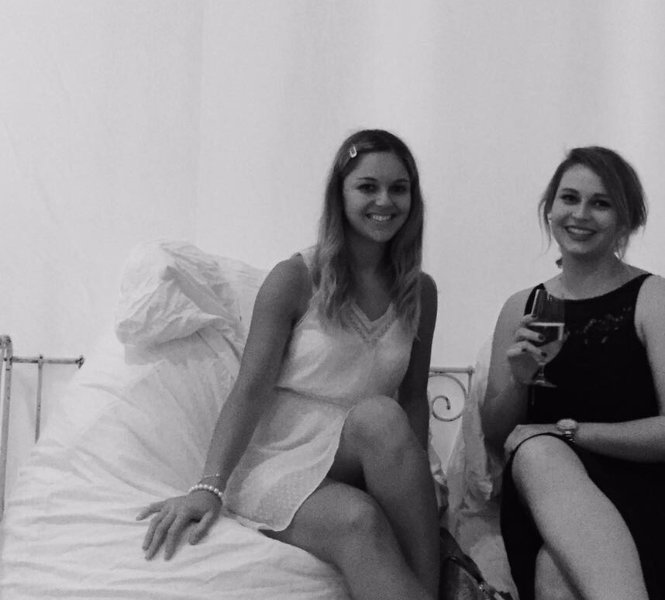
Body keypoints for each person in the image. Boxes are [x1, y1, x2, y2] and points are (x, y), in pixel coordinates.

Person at [136, 129, 441, 600]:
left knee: (382, 417)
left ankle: (435, 586)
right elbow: (249, 388)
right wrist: (208, 486)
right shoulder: (295, 277)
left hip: (363, 454)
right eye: (368, 186)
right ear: (339, 194)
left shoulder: (420, 291)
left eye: (398, 188)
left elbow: (415, 397)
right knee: (359, 519)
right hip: (280, 458)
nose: (385, 201)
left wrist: (415, 488)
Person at [481, 146, 665, 600]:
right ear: (550, 208)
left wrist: (569, 433)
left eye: (600, 203)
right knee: (535, 452)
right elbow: (497, 437)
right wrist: (520, 379)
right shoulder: (522, 306)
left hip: (640, 492)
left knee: (556, 574)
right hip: (542, 499)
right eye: (569, 198)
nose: (580, 214)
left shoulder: (652, 297)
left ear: (626, 219)